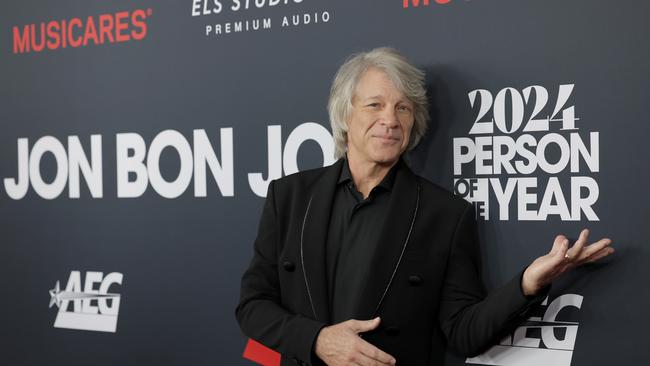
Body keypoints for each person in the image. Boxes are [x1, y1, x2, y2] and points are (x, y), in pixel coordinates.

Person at [235, 47, 614, 366]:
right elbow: (253, 306)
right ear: (344, 114)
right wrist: (317, 340)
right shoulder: (289, 197)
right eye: (375, 105)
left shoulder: (445, 215)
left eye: (403, 108)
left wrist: (528, 283)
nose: (390, 120)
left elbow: (464, 332)